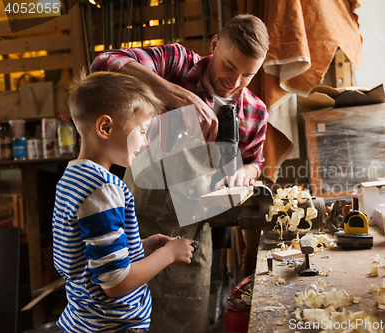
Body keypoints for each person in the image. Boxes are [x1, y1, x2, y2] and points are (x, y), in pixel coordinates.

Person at [90, 14, 269, 332]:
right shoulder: (179, 63)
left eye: (247, 74)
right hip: (138, 228)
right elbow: (105, 63)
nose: (235, 81)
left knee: (186, 321)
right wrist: (177, 94)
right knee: (125, 318)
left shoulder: (254, 110)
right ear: (214, 44)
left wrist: (245, 171)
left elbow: (256, 160)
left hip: (191, 237)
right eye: (229, 66)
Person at [52, 71, 195, 333]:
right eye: (141, 131)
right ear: (105, 127)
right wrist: (168, 254)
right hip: (113, 326)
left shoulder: (72, 178)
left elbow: (89, 257)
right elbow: (115, 284)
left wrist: (140, 247)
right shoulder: (103, 189)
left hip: (84, 320)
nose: (145, 141)